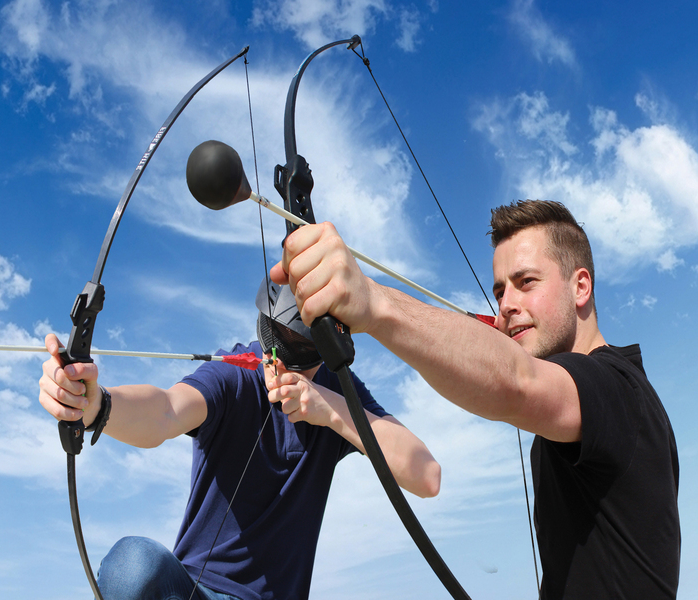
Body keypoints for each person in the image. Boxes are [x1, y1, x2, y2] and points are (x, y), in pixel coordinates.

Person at [270, 199, 680, 598]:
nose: (507, 306)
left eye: (527, 283)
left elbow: (516, 382)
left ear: (581, 286)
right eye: (500, 291)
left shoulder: (616, 388)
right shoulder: (588, 414)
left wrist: (374, 302)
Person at [39, 280, 441, 600]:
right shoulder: (234, 374)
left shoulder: (340, 391)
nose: (284, 357)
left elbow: (426, 476)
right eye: (280, 335)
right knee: (132, 566)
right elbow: (165, 410)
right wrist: (96, 406)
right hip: (194, 592)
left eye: (306, 345)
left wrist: (332, 411)